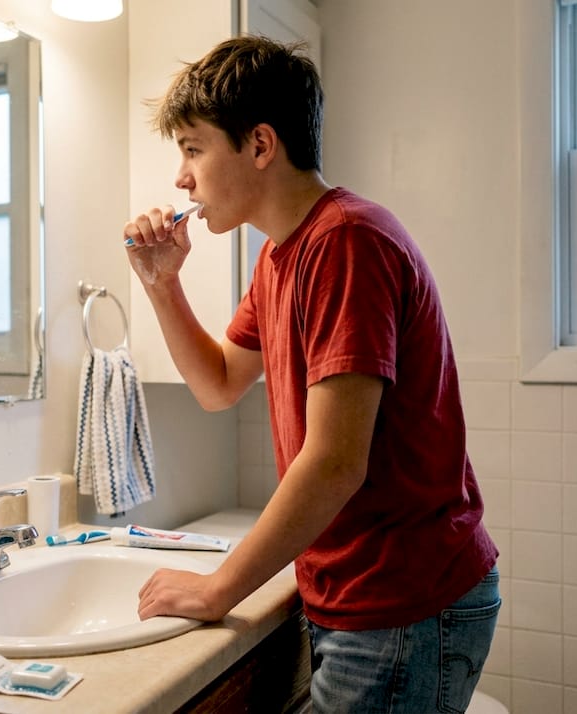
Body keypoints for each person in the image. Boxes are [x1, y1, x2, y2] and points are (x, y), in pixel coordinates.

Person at [123, 37, 500, 713]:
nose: (181, 177)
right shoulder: (280, 257)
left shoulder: (347, 243)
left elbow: (333, 463)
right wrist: (161, 286)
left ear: (260, 144)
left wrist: (216, 589)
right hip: (362, 594)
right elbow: (218, 386)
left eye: (192, 147)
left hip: (403, 603)